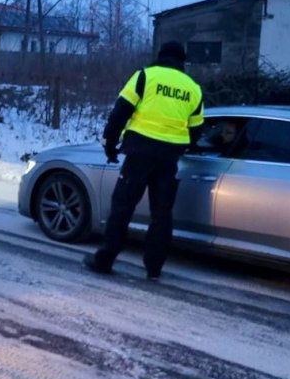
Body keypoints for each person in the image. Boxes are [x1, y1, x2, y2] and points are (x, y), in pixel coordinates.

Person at [83, 41, 205, 281]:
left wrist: (110, 144)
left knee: (122, 207)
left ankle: (105, 260)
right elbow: (196, 130)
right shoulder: (193, 88)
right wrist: (179, 146)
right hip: (168, 159)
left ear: (160, 56)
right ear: (183, 61)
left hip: (139, 154)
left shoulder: (144, 76)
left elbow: (120, 112)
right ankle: (154, 268)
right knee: (162, 214)